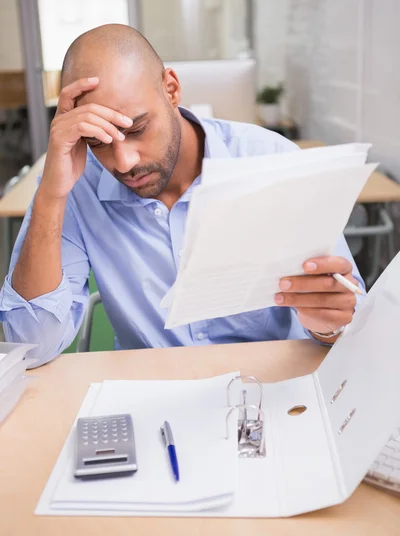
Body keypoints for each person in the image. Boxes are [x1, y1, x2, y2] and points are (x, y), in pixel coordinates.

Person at [0, 24, 363, 367]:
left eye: (138, 129)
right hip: (150, 398)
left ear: (171, 89)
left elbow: (347, 317)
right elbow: (31, 346)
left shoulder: (272, 160)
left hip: (265, 391)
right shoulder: (76, 188)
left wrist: (327, 323)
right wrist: (50, 194)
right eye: (98, 142)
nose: (124, 163)